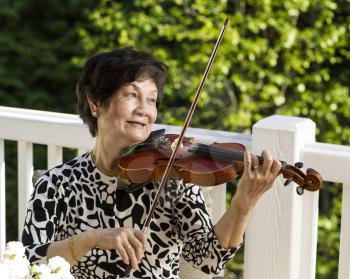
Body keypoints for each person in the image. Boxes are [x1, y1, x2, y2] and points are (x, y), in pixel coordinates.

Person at [22, 47, 281, 278]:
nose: (144, 110)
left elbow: (206, 262)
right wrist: (90, 240)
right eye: (132, 95)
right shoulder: (56, 183)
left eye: (151, 99)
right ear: (95, 104)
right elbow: (29, 263)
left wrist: (242, 206)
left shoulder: (171, 177)